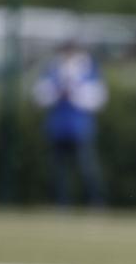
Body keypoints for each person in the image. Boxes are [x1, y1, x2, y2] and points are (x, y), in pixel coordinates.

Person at [32, 41, 107, 206]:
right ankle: (61, 203)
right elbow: (40, 96)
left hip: (81, 127)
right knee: (58, 170)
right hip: (57, 127)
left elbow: (98, 98)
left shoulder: (88, 69)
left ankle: (95, 202)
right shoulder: (52, 69)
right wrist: (57, 92)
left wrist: (74, 92)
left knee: (87, 168)